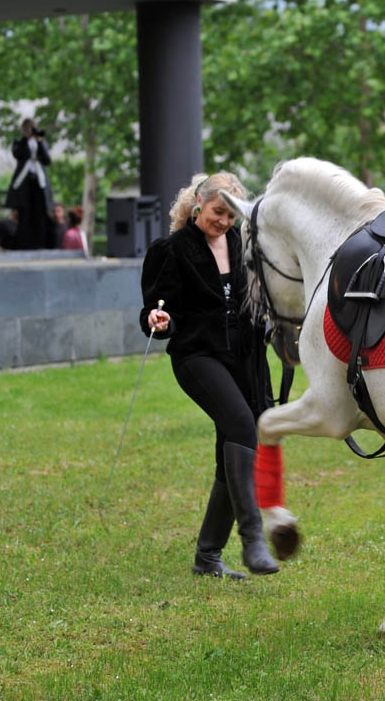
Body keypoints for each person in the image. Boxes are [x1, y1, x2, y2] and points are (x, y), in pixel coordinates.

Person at [140, 172, 281, 578]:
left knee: (231, 445)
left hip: (245, 358)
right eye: (218, 212)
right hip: (197, 356)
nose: (223, 222)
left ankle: (207, 558)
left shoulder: (242, 244)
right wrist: (157, 317)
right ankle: (253, 538)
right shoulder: (170, 250)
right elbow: (154, 306)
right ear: (199, 203)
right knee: (241, 426)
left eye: (231, 217)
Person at [3, 118, 55, 250]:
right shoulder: (19, 142)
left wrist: (40, 142)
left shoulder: (41, 142)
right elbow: (17, 153)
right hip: (24, 182)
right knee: (25, 213)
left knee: (40, 212)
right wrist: (26, 139)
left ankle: (41, 243)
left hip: (39, 180)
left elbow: (47, 160)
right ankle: (24, 243)